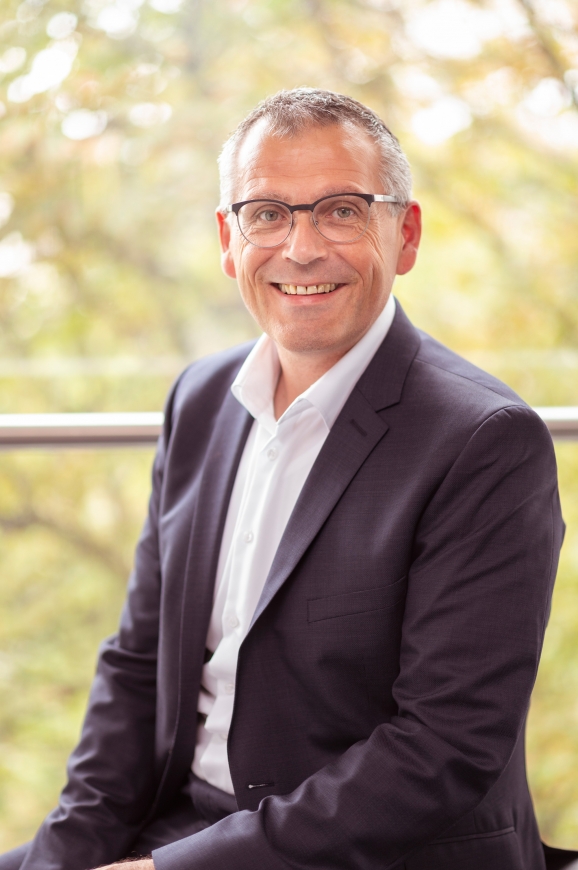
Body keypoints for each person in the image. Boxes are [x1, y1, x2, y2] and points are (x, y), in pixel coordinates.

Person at [1, 88, 565, 870]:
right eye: (267, 213)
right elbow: (138, 664)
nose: (301, 248)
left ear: (405, 234)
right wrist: (64, 857)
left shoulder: (485, 442)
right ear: (228, 240)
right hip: (182, 828)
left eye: (341, 211)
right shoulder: (200, 399)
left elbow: (442, 748)